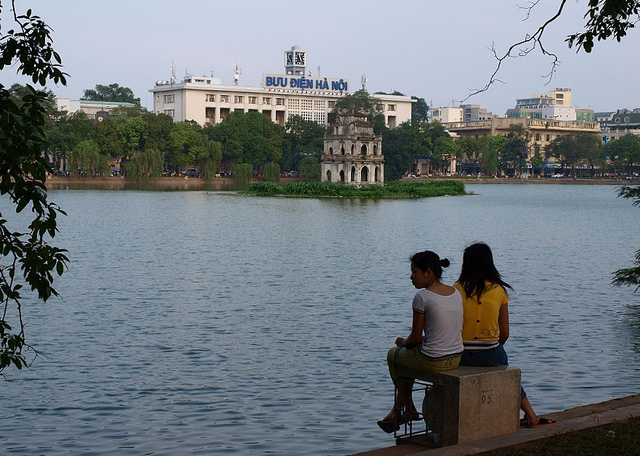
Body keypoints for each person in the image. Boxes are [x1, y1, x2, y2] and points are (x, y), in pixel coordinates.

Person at [453, 242, 553, 428]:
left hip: (461, 354)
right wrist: (492, 345)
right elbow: (505, 333)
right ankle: (531, 416)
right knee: (509, 376)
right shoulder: (499, 290)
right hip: (490, 353)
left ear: (466, 264)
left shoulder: (456, 289)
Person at [377, 250, 464, 433]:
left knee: (393, 355)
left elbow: (415, 338)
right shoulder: (456, 293)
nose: (411, 277)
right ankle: (406, 409)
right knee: (407, 354)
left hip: (433, 359)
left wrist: (402, 342)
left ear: (428, 272)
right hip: (456, 356)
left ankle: (402, 409)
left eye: (414, 272)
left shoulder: (422, 297)